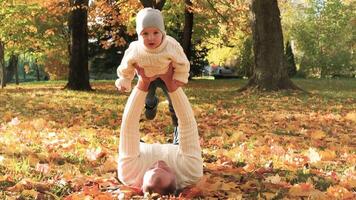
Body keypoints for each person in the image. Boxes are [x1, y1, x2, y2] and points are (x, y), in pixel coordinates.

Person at [115, 8, 203, 195]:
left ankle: (150, 101)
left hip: (140, 152)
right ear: (176, 181)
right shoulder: (190, 172)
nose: (158, 163)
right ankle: (153, 100)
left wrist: (142, 82)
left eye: (152, 168)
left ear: (140, 183)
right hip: (179, 151)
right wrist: (173, 84)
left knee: (129, 137)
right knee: (181, 124)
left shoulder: (130, 173)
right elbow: (188, 122)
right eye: (164, 169)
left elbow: (129, 124)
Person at [115, 7, 188, 144]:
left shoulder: (171, 45)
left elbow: (182, 61)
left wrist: (180, 76)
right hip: (148, 78)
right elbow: (127, 63)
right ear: (138, 34)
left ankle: (179, 131)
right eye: (145, 33)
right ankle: (151, 104)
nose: (151, 38)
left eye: (156, 32)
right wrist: (125, 79)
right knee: (147, 101)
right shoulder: (135, 48)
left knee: (175, 103)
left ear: (163, 32)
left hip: (168, 77)